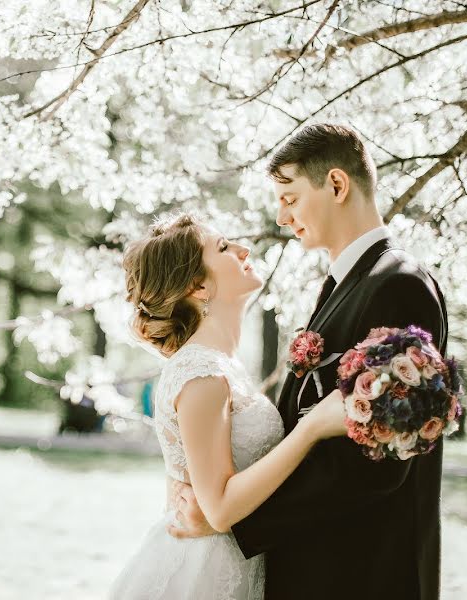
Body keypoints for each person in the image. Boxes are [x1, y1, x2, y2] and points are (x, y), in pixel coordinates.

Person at [169, 124, 449, 600]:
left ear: (336, 185)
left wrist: (235, 521)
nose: (282, 217)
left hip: (362, 571)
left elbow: (377, 462)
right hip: (318, 563)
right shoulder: (348, 285)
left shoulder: (398, 285)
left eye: (291, 198)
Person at [109, 213, 348, 599]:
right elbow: (218, 509)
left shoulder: (218, 366)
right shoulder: (200, 373)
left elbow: (184, 476)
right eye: (223, 248)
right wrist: (311, 428)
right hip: (203, 573)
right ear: (198, 286)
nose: (244, 249)